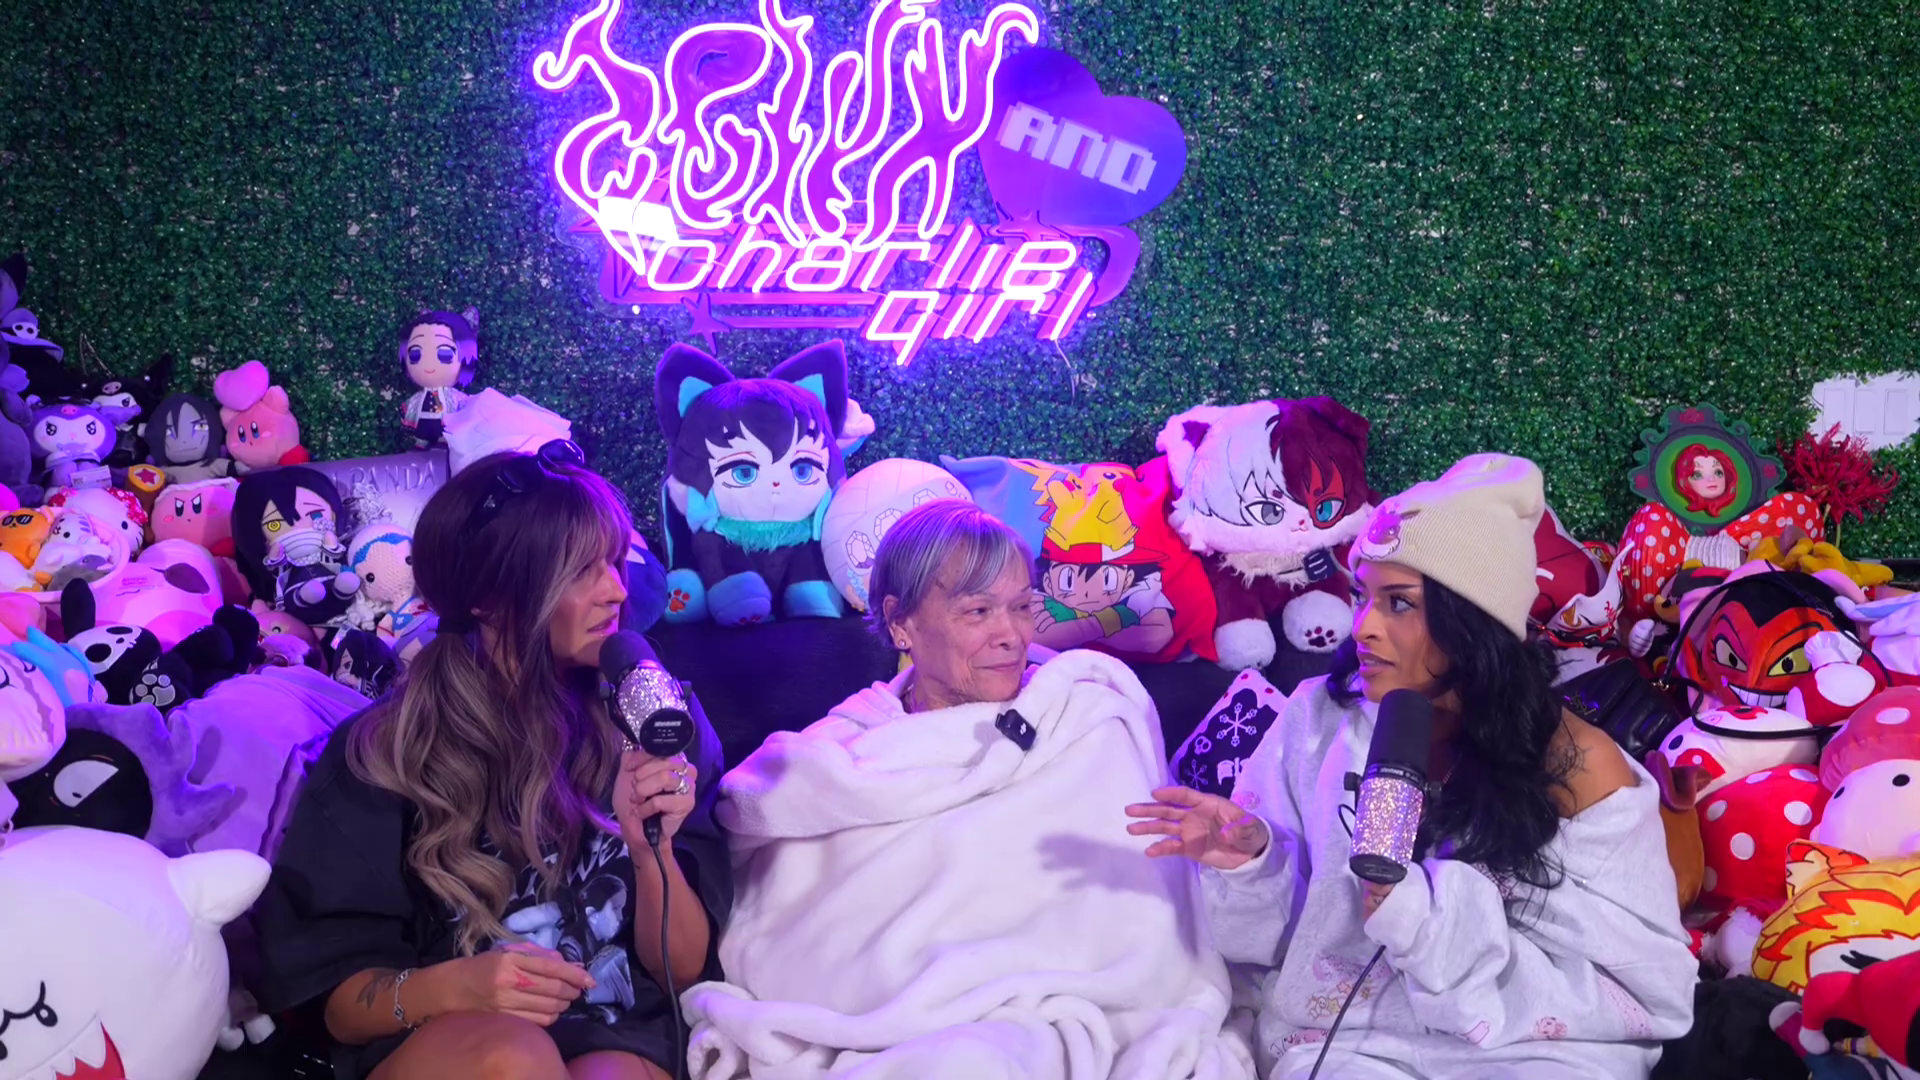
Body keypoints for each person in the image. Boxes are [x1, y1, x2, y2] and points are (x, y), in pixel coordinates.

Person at [1126, 455, 1697, 1080]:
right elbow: (1287, 944)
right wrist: (1252, 861)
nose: (1363, 627)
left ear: (1474, 622)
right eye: (1361, 596)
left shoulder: (1576, 763)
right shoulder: (1318, 718)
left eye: (1399, 603)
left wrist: (1430, 922)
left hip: (1527, 1052)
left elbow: (1641, 990)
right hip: (1348, 1046)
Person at [680, 499, 1253, 1080]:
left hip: (1069, 1018)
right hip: (911, 1032)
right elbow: (798, 928)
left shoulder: (1088, 715)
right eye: (978, 611)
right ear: (901, 623)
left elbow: (1143, 916)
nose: (1011, 636)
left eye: (1022, 607)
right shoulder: (830, 762)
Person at [253, 442, 731, 1080]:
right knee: (513, 1057)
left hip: (615, 1035)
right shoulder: (385, 754)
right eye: (579, 571)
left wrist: (653, 853)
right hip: (450, 1041)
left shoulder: (657, 724)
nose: (617, 590)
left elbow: (682, 973)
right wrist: (462, 987)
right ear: (487, 597)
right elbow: (339, 1010)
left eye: (614, 562)